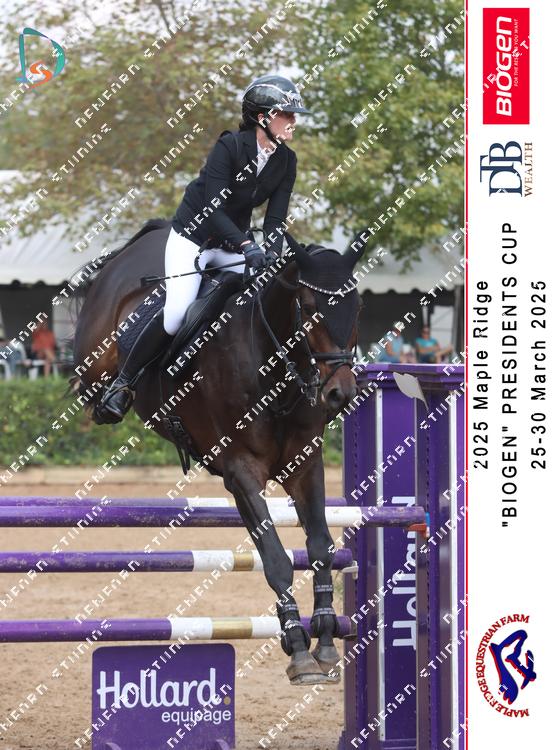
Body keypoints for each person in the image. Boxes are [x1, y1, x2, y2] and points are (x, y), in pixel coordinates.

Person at [99, 74, 310, 422]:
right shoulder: (229, 147)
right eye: (287, 115)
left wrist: (271, 251)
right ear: (263, 118)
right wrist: (247, 245)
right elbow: (213, 209)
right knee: (176, 314)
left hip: (233, 243)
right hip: (193, 238)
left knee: (263, 296)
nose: (294, 121)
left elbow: (275, 218)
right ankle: (123, 384)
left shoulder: (286, 160)